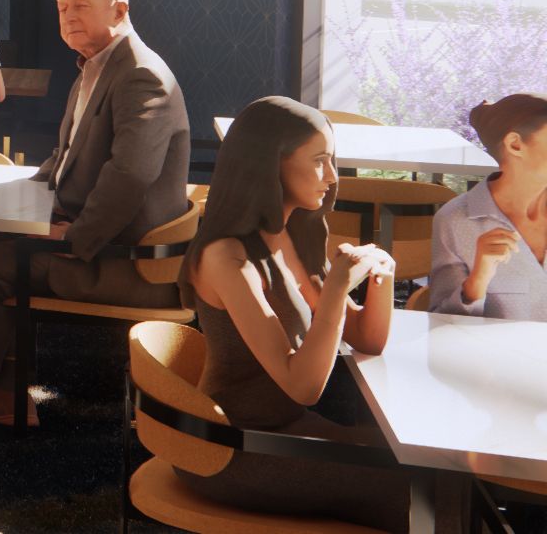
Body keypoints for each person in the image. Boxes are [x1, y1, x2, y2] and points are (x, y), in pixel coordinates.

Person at [0, 0, 190, 425]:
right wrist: (6, 200)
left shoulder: (141, 76)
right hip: (106, 239)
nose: (68, 17)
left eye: (81, 6)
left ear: (119, 11)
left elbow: (130, 176)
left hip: (131, 260)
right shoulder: (96, 68)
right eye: (63, 8)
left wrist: (73, 237)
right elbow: (62, 159)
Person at [174, 97, 413, 531]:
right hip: (231, 448)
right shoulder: (227, 258)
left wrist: (382, 277)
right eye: (320, 160)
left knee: (429, 466)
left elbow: (367, 338)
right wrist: (339, 287)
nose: (333, 176)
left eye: (332, 160)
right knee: (411, 489)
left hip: (286, 428)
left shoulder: (289, 234)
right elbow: (303, 385)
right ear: (271, 164)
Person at [429, 92, 547, 319]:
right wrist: (477, 280)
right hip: (499, 354)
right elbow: (442, 322)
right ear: (515, 145)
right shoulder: (455, 220)